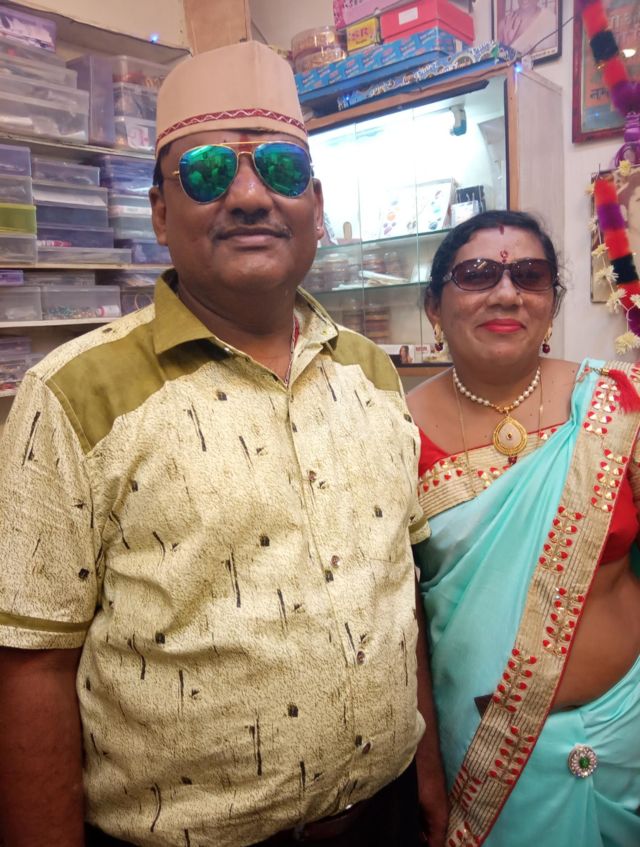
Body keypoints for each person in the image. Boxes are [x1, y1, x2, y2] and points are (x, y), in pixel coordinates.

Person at [0, 41, 447, 847]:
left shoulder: (373, 372)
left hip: (381, 821)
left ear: (315, 203)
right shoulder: (70, 395)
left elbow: (398, 591)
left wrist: (428, 772)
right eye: (208, 173)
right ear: (160, 212)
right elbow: (33, 662)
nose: (248, 195)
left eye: (280, 169)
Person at [407, 209, 640, 846]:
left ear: (551, 303)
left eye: (530, 276)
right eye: (477, 274)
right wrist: (425, 773)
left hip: (629, 729)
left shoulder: (616, 402)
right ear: (434, 306)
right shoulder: (393, 434)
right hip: (489, 760)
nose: (506, 293)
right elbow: (401, 625)